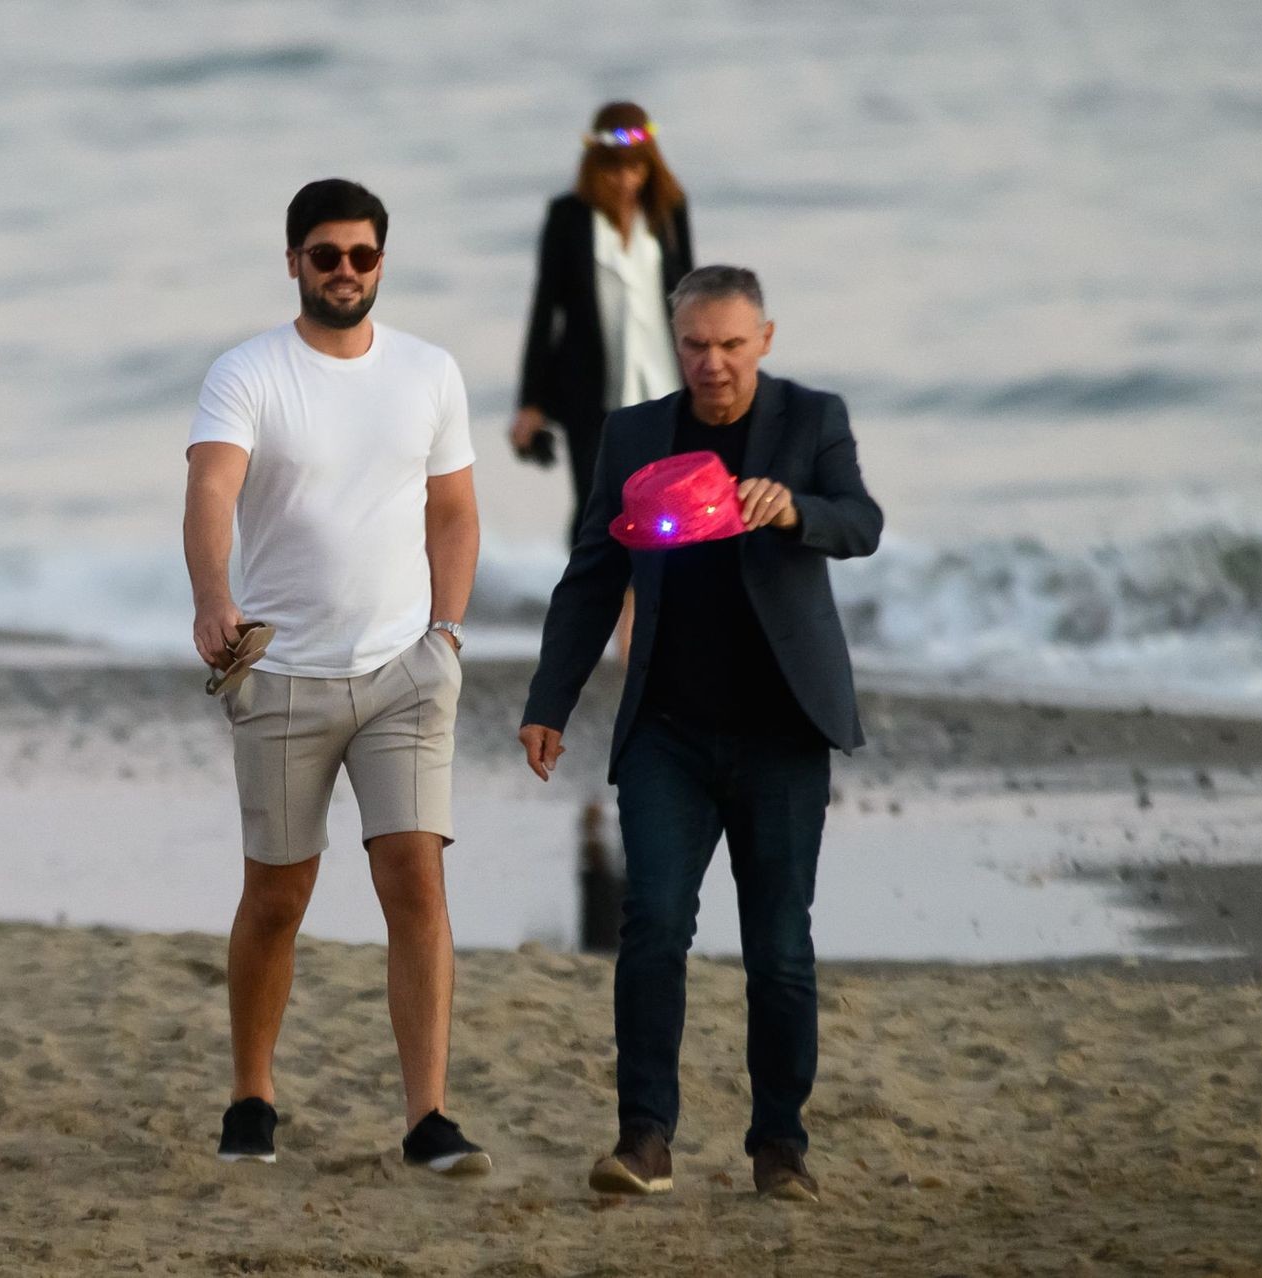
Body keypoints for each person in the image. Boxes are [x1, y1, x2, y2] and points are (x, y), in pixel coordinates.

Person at [517, 265, 882, 1200]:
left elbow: (862, 523)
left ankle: (780, 1148)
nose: (712, 362)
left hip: (783, 733)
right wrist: (549, 702)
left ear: (765, 339)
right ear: (673, 344)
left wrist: (794, 510)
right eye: (694, 345)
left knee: (780, 948)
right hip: (668, 734)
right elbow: (593, 575)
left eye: (730, 344)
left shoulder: (812, 420)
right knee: (652, 925)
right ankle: (644, 1140)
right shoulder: (635, 434)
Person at [184, 178, 491, 1175]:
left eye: (362, 255)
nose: (346, 271)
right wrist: (213, 597)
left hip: (405, 671)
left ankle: (428, 1116)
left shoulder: (429, 371)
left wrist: (447, 632)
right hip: (282, 673)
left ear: (382, 263)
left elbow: (454, 509)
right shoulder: (248, 372)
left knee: (416, 879)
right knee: (279, 896)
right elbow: (212, 488)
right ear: (294, 263)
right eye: (327, 255)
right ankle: (251, 1096)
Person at [511, 101, 695, 544]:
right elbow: (545, 309)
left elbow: (692, 293)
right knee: (597, 506)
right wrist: (531, 401)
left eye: (636, 168)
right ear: (595, 165)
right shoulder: (568, 217)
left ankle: (658, 586)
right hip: (591, 391)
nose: (626, 179)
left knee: (669, 502)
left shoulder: (669, 210)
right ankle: (589, 587)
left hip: (665, 381)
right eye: (614, 169)